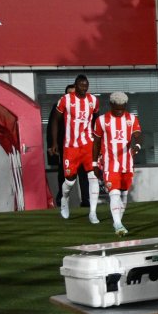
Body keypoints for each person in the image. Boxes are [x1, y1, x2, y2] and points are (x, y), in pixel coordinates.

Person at [51, 74, 100, 223]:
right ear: (76, 85)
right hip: (71, 146)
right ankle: (65, 199)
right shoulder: (66, 100)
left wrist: (99, 143)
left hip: (88, 144)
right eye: (81, 85)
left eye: (86, 86)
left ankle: (92, 212)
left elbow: (97, 121)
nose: (84, 88)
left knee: (93, 177)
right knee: (70, 181)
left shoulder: (93, 101)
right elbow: (55, 120)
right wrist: (54, 143)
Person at [92, 92, 141, 237]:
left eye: (122, 108)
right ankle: (118, 225)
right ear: (111, 105)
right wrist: (94, 163)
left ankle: (117, 220)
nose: (120, 111)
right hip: (109, 163)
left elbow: (138, 135)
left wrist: (137, 145)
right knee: (114, 194)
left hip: (127, 163)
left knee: (124, 195)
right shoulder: (101, 120)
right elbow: (96, 143)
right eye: (117, 109)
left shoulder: (132, 119)